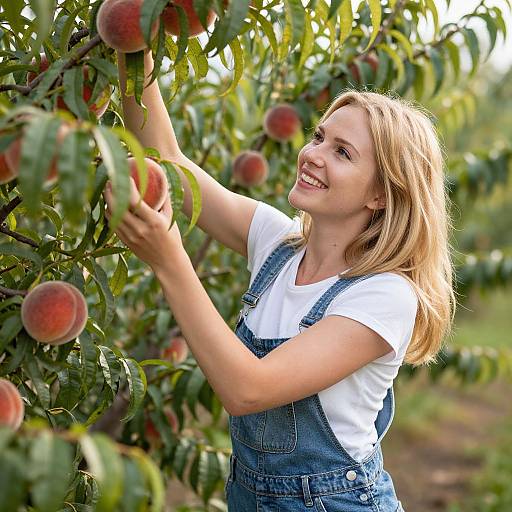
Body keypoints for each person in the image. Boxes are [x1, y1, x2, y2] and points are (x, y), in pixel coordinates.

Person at [104, 50, 456, 512]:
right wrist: (133, 49)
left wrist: (168, 258)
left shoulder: (384, 294)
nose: (311, 154)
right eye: (318, 137)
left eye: (342, 152)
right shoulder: (280, 244)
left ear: (380, 194)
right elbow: (169, 161)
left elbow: (247, 389)